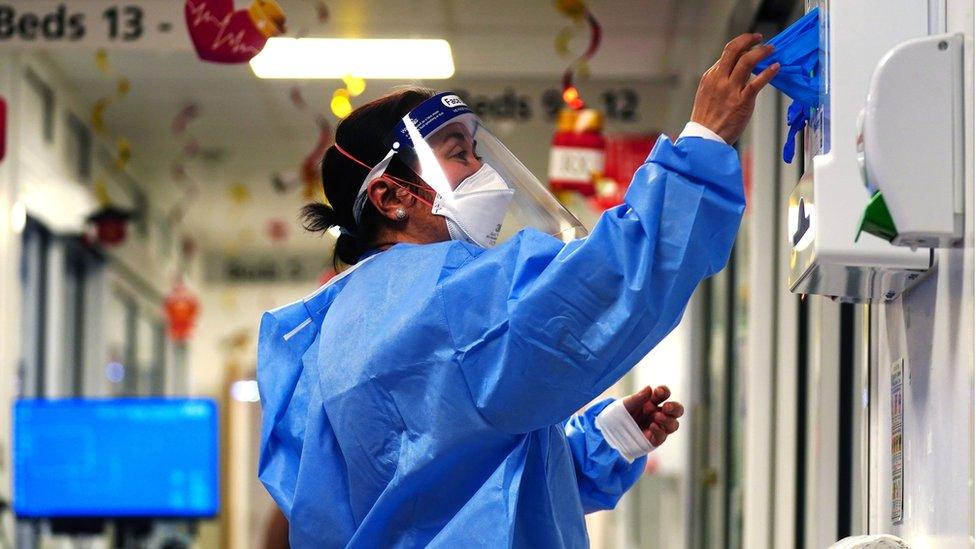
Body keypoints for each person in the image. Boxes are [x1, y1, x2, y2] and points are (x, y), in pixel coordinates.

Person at [258, 33, 779, 548]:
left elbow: (464, 489)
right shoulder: (442, 300)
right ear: (391, 195)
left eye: (476, 151)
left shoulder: (337, 330)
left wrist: (609, 438)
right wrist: (702, 146)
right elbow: (611, 281)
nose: (481, 170)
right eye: (457, 153)